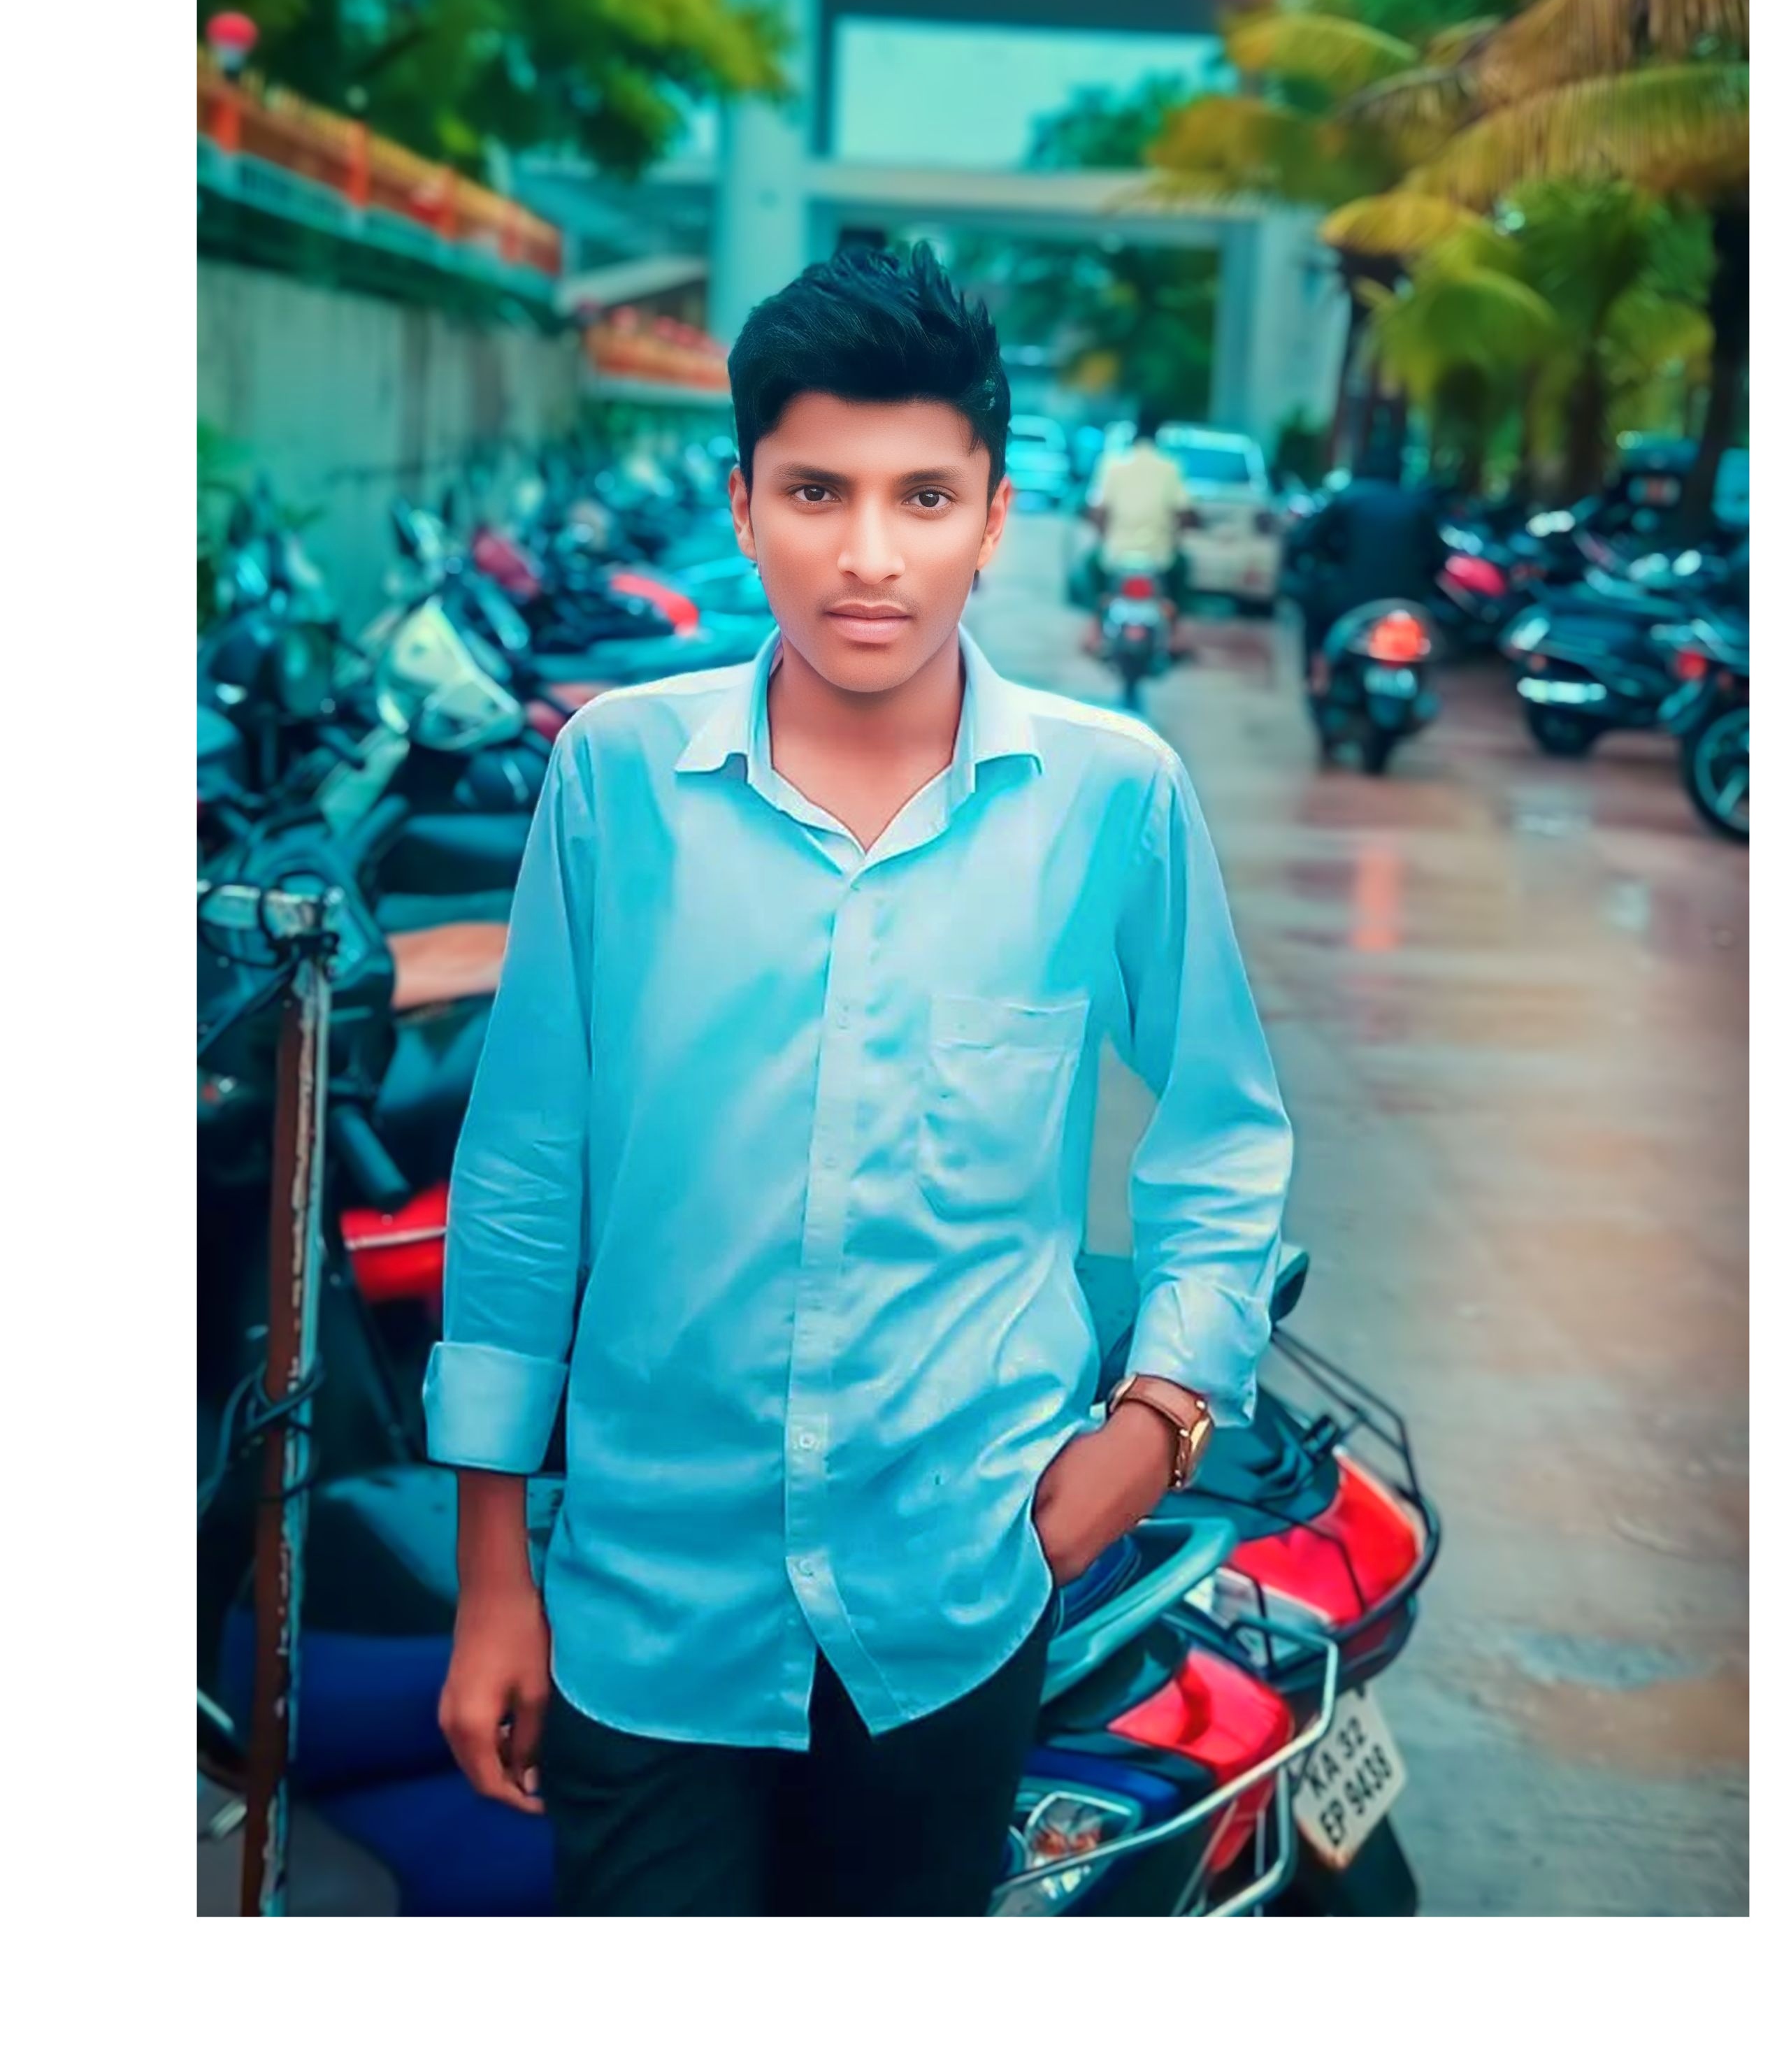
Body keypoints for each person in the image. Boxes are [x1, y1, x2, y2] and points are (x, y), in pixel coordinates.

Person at [428, 245, 1295, 1917]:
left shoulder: (1109, 797)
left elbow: (1223, 1128)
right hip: (644, 1606)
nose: (870, 556)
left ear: (995, 518)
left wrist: (1162, 1415)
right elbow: (527, 1172)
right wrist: (491, 1578)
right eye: (818, 491)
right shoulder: (617, 778)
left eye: (924, 497)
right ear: (744, 504)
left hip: (956, 1594)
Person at [1288, 462, 1448, 698]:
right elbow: (1439, 557)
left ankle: (1318, 676)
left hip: (1349, 598)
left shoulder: (1347, 498)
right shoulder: (1418, 505)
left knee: (1313, 613)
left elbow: (1308, 541)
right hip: (1407, 598)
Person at [1082, 401, 1201, 659]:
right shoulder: (1170, 467)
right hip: (1160, 558)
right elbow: (1184, 513)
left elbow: (1097, 512)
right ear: (1159, 432)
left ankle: (1095, 629)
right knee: (1183, 568)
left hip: (1116, 556)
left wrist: (1104, 535)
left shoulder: (1113, 464)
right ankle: (1175, 632)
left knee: (1091, 566)